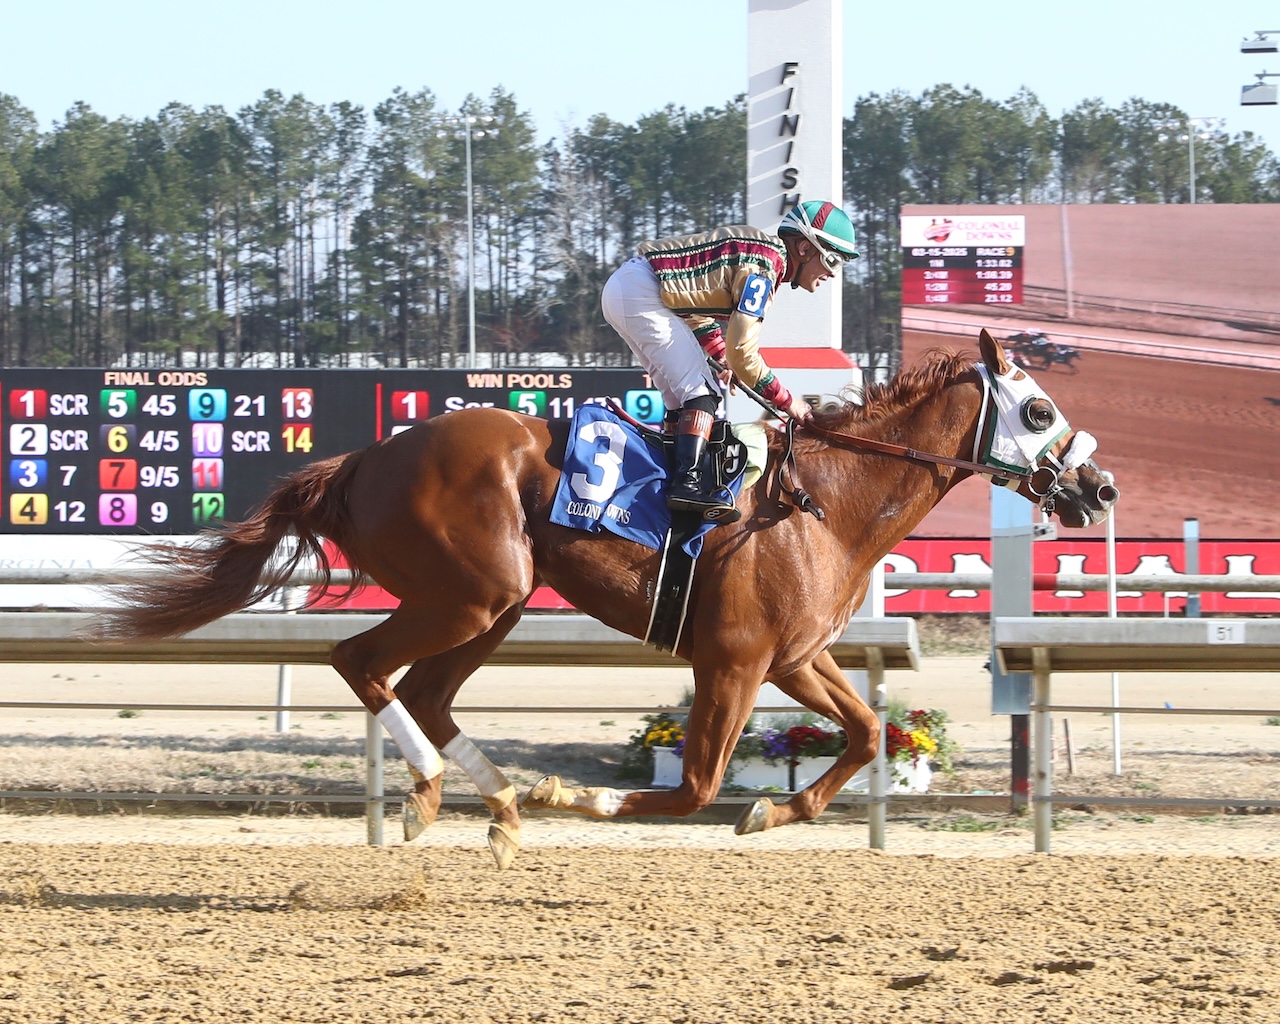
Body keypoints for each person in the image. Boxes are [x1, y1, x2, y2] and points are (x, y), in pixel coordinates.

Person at [601, 200, 859, 519]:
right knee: (704, 394)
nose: (832, 274)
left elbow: (692, 309)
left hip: (635, 288)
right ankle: (686, 487)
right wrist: (788, 401)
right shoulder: (765, 266)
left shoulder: (763, 257)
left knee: (682, 400)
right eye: (832, 260)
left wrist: (722, 357)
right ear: (805, 248)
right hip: (642, 292)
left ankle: (670, 479)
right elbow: (744, 352)